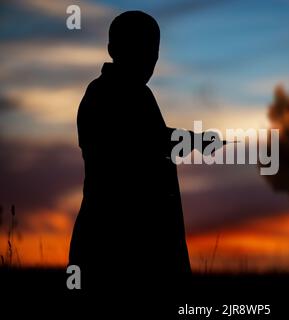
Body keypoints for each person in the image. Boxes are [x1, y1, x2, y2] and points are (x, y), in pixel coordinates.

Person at [69, 11, 206, 291]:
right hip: (119, 239)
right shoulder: (110, 94)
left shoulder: (129, 93)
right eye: (142, 49)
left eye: (153, 51)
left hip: (137, 238)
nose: (150, 59)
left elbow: (152, 142)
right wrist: (194, 140)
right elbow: (145, 143)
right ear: (113, 50)